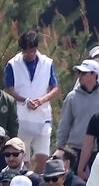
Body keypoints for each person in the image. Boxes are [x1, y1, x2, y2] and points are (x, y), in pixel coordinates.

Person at [4, 31, 59, 173]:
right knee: (23, 156)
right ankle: (24, 180)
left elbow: (55, 88)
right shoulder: (13, 64)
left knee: (43, 155)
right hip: (22, 118)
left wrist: (42, 100)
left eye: (32, 51)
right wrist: (24, 100)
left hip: (43, 116)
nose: (29, 54)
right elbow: (9, 88)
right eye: (26, 51)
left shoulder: (47, 63)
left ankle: (39, 182)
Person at [57, 60, 99, 160]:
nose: (80, 76)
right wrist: (60, 147)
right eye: (79, 73)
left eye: (84, 73)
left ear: (94, 74)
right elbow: (64, 124)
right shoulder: (72, 97)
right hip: (74, 149)